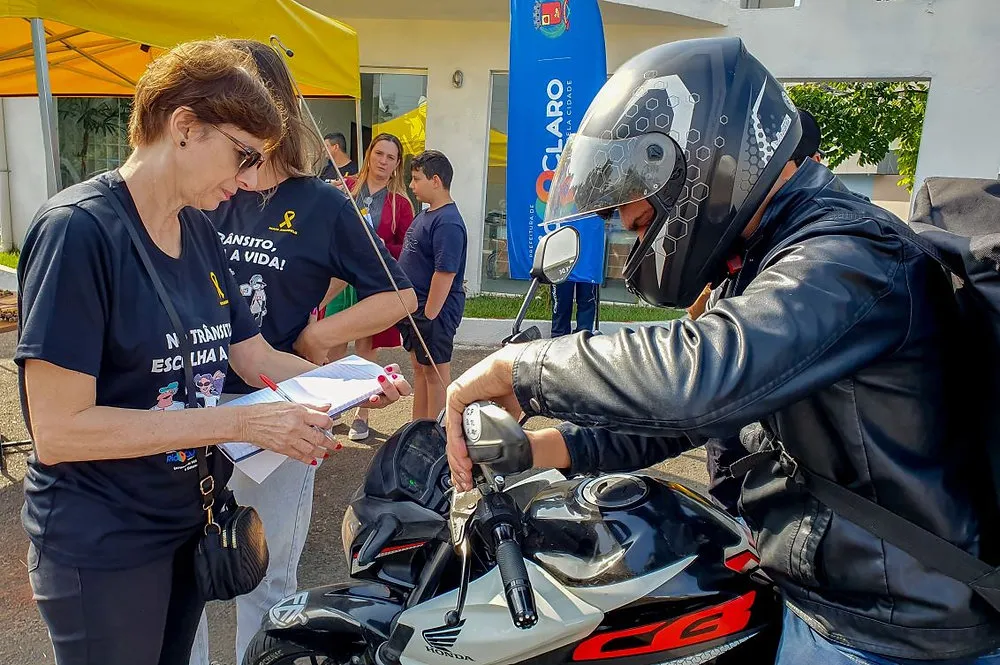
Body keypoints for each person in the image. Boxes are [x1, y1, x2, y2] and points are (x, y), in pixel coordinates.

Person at [444, 37, 1000, 663]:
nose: (626, 219)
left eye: (631, 191)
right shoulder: (764, 261)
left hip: (888, 637)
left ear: (701, 158)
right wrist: (537, 451)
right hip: (819, 600)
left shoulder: (849, 257)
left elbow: (702, 374)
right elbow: (690, 417)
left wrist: (520, 369)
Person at [13, 38, 409, 665]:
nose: (250, 179)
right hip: (104, 538)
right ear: (185, 127)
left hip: (181, 523)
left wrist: (349, 383)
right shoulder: (80, 232)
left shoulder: (198, 230)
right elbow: (60, 431)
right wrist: (242, 420)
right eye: (244, 155)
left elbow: (251, 357)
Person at [188, 40, 417, 665]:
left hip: (281, 410)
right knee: (188, 583)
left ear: (278, 112)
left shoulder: (322, 203)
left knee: (266, 580)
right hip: (184, 412)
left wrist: (319, 343)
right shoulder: (202, 187)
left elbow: (401, 294)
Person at [331, 133, 416, 441]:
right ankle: (334, 406)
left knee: (367, 348)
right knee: (334, 345)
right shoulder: (345, 186)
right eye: (379, 153)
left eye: (390, 157)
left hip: (371, 282)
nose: (383, 161)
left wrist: (383, 246)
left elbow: (406, 246)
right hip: (339, 279)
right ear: (369, 154)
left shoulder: (401, 204)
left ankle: (362, 412)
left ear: (397, 165)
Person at [398, 150, 467, 421]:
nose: (412, 186)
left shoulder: (448, 221)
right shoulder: (428, 215)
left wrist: (429, 314)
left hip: (433, 311)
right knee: (420, 368)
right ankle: (418, 426)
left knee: (436, 372)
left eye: (416, 179)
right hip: (417, 308)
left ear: (435, 180)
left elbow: (445, 272)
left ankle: (438, 434)